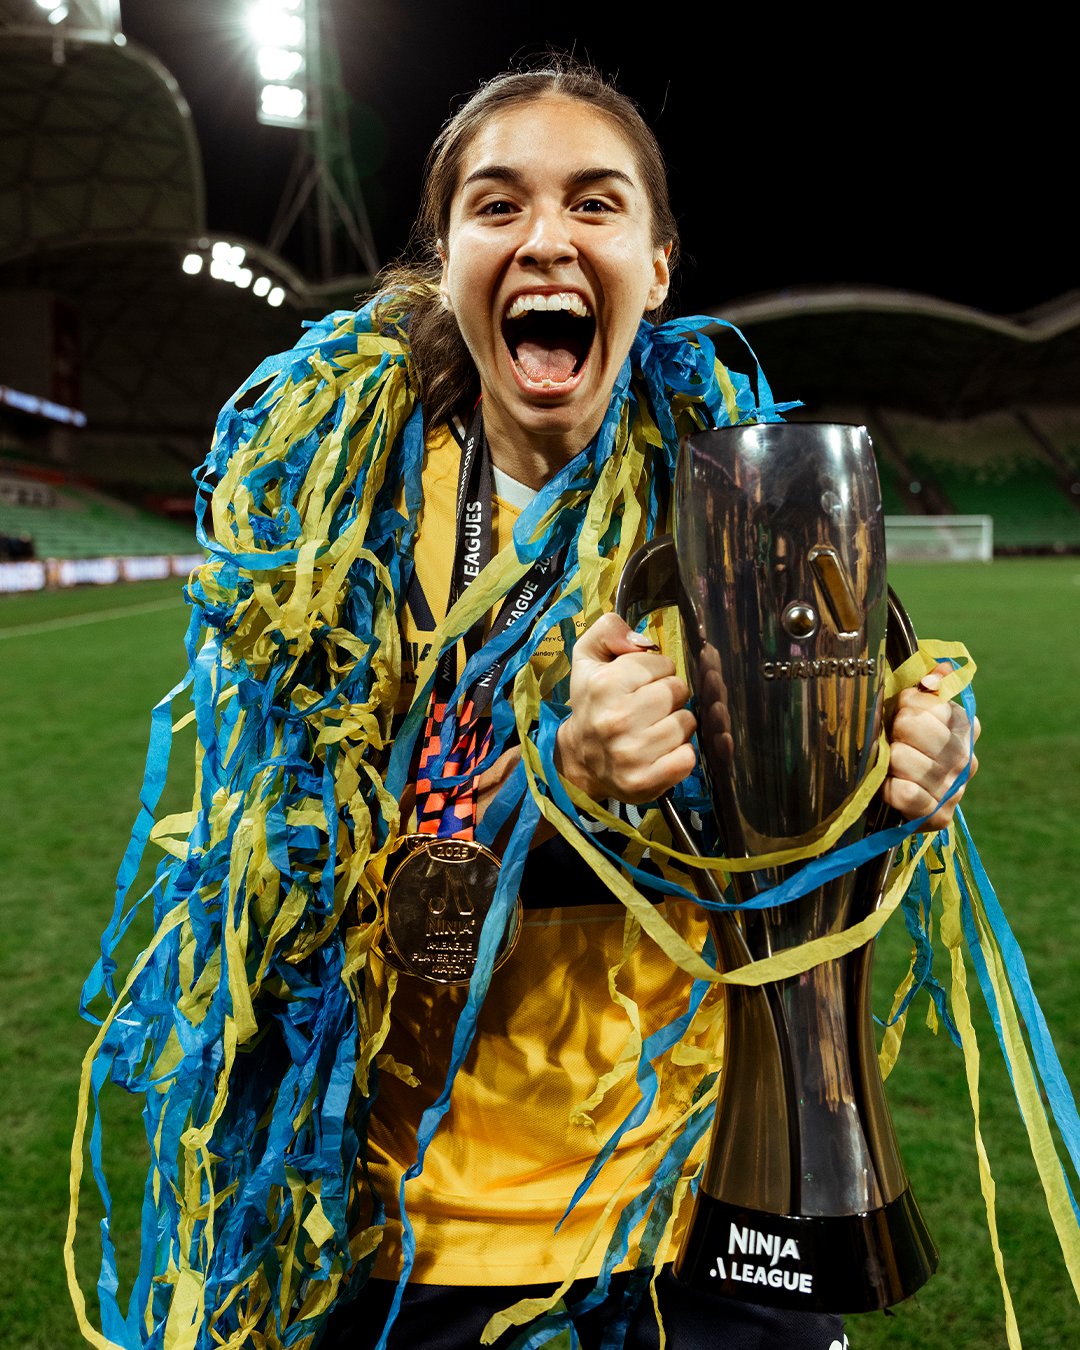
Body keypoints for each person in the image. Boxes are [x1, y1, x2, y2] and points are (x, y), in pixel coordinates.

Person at [71, 58, 979, 1350]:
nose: (546, 237)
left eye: (595, 203)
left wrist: (907, 766)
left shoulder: (745, 509)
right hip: (421, 1225)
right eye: (497, 205)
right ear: (443, 259)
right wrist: (560, 783)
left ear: (656, 268)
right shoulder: (338, 529)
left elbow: (811, 856)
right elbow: (297, 913)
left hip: (711, 1201)